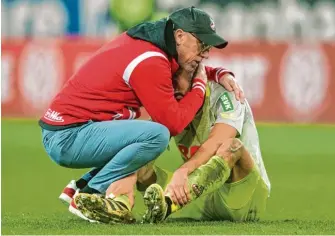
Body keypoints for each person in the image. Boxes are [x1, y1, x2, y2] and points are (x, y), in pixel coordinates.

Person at [40, 6, 244, 222]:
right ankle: (91, 191)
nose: (205, 53)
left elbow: (178, 70)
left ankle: (79, 187)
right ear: (180, 36)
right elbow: (174, 123)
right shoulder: (150, 60)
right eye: (202, 44)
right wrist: (200, 88)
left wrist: (216, 73)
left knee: (143, 134)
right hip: (68, 137)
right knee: (156, 135)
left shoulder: (151, 44)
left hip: (70, 130)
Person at [139, 64, 271, 223]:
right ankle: (114, 204)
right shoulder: (173, 102)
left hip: (244, 196)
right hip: (202, 194)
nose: (172, 86)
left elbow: (218, 140)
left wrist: (183, 171)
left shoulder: (226, 93)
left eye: (177, 78)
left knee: (232, 145)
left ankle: (167, 205)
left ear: (197, 78)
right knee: (137, 159)